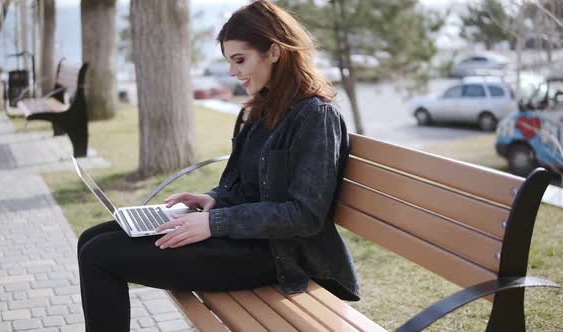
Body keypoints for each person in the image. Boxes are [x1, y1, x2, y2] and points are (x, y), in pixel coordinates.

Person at [77, 1, 359, 331]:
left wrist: (214, 222)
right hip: (242, 238)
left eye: (240, 60)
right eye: (229, 62)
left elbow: (305, 215)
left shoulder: (316, 116)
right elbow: (245, 186)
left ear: (275, 51)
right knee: (90, 239)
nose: (232, 72)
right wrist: (213, 200)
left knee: (101, 256)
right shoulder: (261, 110)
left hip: (278, 256)